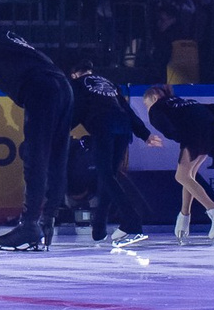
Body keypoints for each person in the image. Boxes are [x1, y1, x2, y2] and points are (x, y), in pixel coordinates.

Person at [0, 16, 75, 252]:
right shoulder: (10, 41)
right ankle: (48, 218)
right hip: (62, 86)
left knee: (35, 157)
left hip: (41, 88)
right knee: (57, 156)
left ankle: (30, 223)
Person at [142, 85, 214, 243]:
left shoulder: (156, 109)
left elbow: (168, 129)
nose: (147, 108)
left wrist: (179, 137)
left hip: (195, 133)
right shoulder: (186, 103)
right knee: (188, 176)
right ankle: (184, 217)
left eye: (146, 104)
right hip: (211, 131)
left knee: (181, 175)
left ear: (154, 98)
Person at [68, 65, 166, 248]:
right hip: (123, 128)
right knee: (108, 178)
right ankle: (99, 229)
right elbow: (127, 110)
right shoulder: (109, 84)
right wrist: (145, 134)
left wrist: (62, 130)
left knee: (105, 176)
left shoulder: (77, 84)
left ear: (75, 74)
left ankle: (133, 223)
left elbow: (78, 109)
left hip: (103, 127)